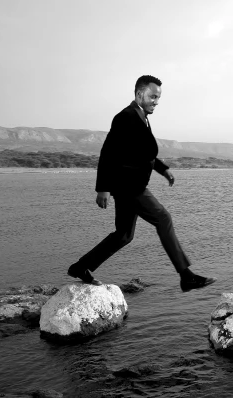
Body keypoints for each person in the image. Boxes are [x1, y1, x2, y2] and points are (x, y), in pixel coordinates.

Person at [67, 75, 216, 292]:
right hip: (130, 187)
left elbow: (143, 153)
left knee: (124, 235)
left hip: (129, 186)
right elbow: (108, 153)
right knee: (163, 218)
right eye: (153, 96)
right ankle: (186, 276)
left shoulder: (142, 117)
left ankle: (80, 267)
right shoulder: (125, 117)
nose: (156, 101)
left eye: (158, 98)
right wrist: (103, 188)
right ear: (139, 94)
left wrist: (163, 169)